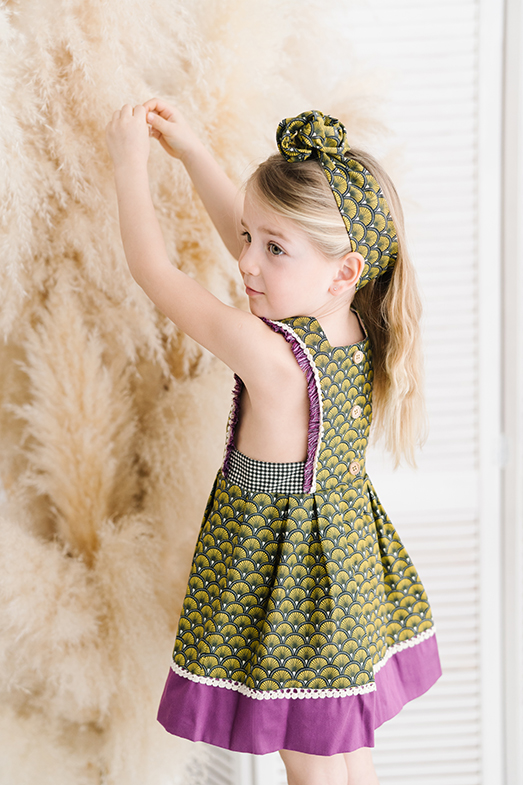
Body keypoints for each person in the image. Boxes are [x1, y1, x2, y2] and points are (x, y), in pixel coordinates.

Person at [105, 101, 442, 785]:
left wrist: (128, 161)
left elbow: (154, 272)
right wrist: (193, 153)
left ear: (343, 270)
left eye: (271, 248)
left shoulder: (272, 355)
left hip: (288, 587)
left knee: (311, 768)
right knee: (346, 754)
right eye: (246, 238)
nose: (245, 261)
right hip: (347, 571)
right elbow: (266, 238)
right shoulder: (357, 327)